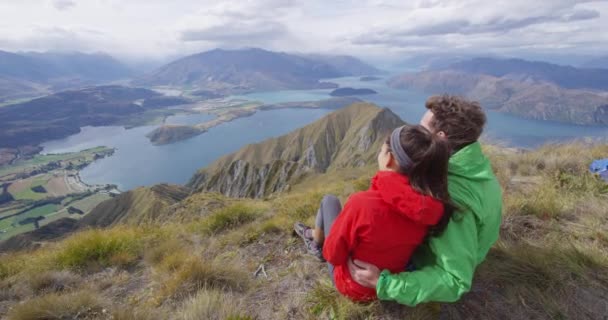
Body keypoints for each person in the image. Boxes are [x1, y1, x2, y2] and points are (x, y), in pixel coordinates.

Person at [347, 95, 503, 306]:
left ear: (440, 136)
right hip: (468, 250)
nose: (414, 131)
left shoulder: (452, 199)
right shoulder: (474, 166)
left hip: (430, 266)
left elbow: (455, 280)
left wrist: (384, 283)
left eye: (421, 128)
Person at [294, 124, 454, 301]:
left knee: (329, 201)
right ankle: (313, 235)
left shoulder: (362, 203)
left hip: (353, 285)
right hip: (388, 283)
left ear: (389, 159)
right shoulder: (430, 210)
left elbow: (332, 255)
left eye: (381, 150)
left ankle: (315, 243)